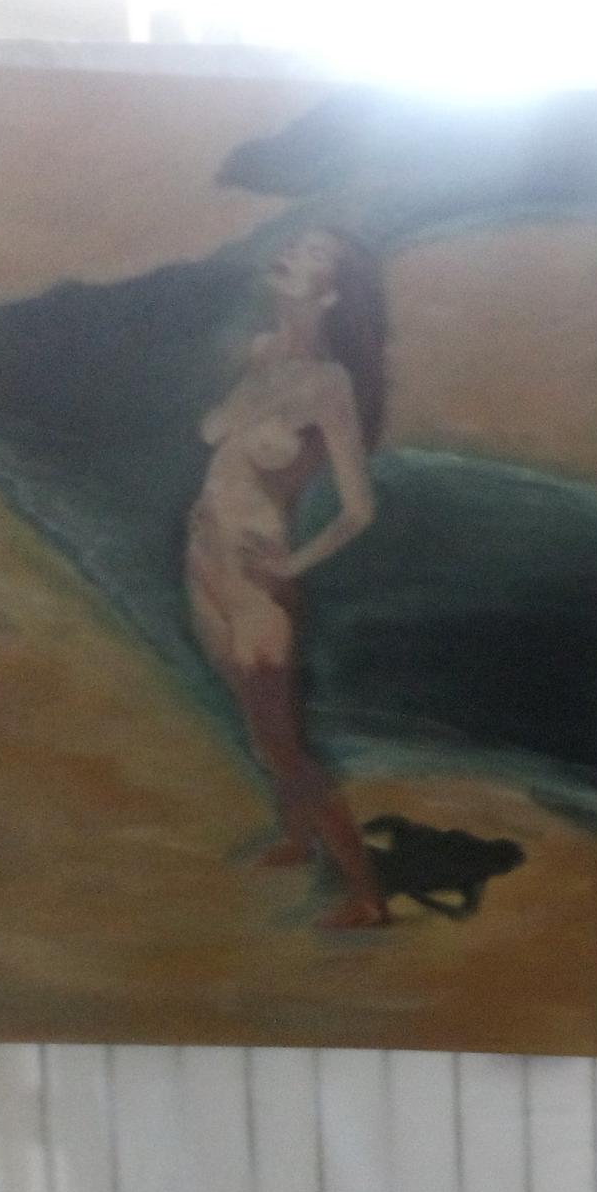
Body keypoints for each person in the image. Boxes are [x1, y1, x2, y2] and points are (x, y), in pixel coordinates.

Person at [186, 226, 391, 927]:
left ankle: (367, 896)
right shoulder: (260, 353)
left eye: (313, 254)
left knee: (280, 737)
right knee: (255, 719)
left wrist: (292, 566)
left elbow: (360, 509)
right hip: (204, 560)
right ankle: (300, 839)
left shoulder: (330, 383)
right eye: (296, 243)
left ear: (330, 294)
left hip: (256, 581)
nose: (292, 252)